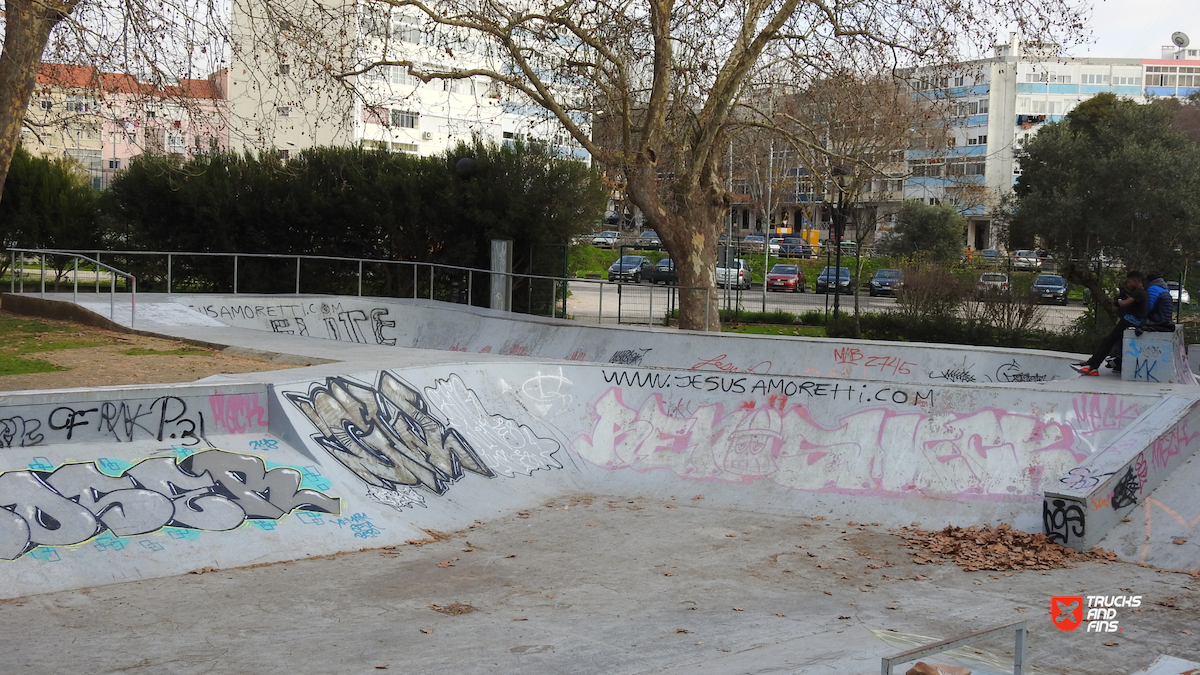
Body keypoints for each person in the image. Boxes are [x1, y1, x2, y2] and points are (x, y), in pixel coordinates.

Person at [1074, 271, 1147, 376]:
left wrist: (1120, 301)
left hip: (1130, 322)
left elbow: (1124, 304)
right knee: (1107, 341)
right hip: (1130, 322)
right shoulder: (1142, 293)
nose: (1128, 285)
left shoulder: (1139, 292)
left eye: (1129, 282)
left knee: (1108, 342)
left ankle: (1092, 366)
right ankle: (1091, 364)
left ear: (1135, 281)